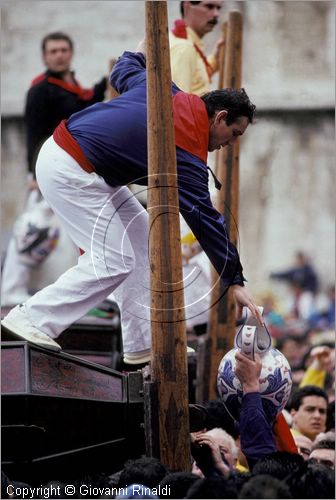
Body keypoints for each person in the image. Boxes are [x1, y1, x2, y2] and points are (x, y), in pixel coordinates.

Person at [2, 48, 263, 367]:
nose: (230, 144)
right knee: (114, 260)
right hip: (69, 168)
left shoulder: (162, 88)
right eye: (234, 134)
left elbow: (125, 66)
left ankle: (142, 343)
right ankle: (31, 319)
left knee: (142, 239)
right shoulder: (186, 148)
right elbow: (205, 220)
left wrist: (142, 53)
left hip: (82, 167)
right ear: (220, 117)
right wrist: (234, 280)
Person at [1, 31, 107, 307]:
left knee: (69, 232)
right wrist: (32, 174)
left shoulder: (71, 86)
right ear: (45, 56)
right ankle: (10, 288)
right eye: (53, 51)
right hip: (45, 170)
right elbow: (33, 133)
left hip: (67, 169)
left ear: (71, 53)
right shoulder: (41, 89)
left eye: (63, 50)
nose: (59, 55)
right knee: (33, 227)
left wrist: (106, 83)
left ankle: (71, 292)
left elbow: (85, 107)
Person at [170, 1, 223, 95]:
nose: (216, 14)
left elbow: (196, 80)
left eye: (218, 8)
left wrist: (215, 59)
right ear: (187, 7)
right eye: (209, 6)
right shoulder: (183, 48)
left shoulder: (187, 42)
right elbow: (178, 103)